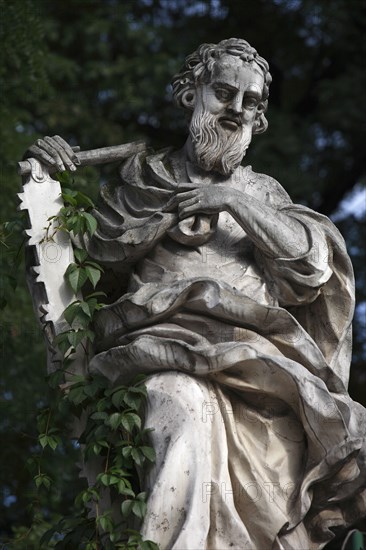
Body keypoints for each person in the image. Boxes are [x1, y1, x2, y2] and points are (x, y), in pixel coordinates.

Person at [26, 38, 366, 549]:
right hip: (161, 354)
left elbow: (312, 265)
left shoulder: (264, 194)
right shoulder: (142, 182)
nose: (235, 111)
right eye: (224, 93)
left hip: (263, 376)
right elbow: (80, 264)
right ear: (191, 95)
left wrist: (229, 200)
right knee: (180, 404)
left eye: (250, 104)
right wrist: (49, 170)